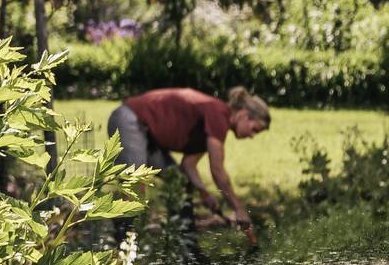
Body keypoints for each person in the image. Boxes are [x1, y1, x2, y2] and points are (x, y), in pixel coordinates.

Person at [106, 84, 270, 247]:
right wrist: (238, 209)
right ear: (244, 115)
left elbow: (188, 165)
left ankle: (188, 249)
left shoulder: (215, 122)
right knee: (135, 185)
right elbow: (217, 171)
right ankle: (121, 247)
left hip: (147, 134)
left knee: (181, 183)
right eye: (254, 129)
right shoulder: (219, 113)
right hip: (131, 120)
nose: (251, 136)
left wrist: (204, 194)